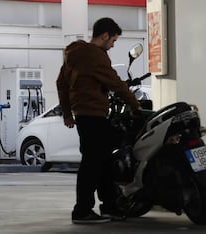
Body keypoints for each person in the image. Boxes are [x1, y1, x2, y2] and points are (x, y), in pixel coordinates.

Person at [56, 17, 141, 224]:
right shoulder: (96, 55)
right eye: (113, 41)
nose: (112, 45)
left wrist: (68, 113)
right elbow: (115, 82)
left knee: (102, 161)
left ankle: (109, 206)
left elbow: (61, 83)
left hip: (83, 116)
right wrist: (134, 104)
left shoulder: (74, 55)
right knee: (92, 164)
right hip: (94, 115)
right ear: (105, 35)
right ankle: (82, 210)